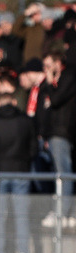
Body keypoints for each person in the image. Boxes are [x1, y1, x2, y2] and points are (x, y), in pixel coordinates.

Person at [0, 92, 40, 253]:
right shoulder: (25, 121)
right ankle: (23, 252)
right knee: (21, 215)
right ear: (14, 102)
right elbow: (33, 148)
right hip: (21, 171)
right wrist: (25, 161)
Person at [41, 50, 76, 226]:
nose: (46, 69)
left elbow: (55, 100)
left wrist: (49, 83)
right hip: (57, 131)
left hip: (62, 131)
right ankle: (68, 213)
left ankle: (62, 213)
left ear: (57, 62)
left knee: (63, 173)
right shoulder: (62, 79)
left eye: (48, 65)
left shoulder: (67, 77)